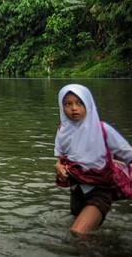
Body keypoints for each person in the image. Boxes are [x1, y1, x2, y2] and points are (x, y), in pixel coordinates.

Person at [54, 84, 132, 235]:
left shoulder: (102, 129)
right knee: (85, 236)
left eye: (79, 103)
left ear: (88, 104)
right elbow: (60, 159)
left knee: (77, 232)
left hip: (100, 191)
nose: (74, 108)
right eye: (68, 104)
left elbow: (128, 154)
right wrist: (58, 168)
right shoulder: (63, 131)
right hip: (76, 191)